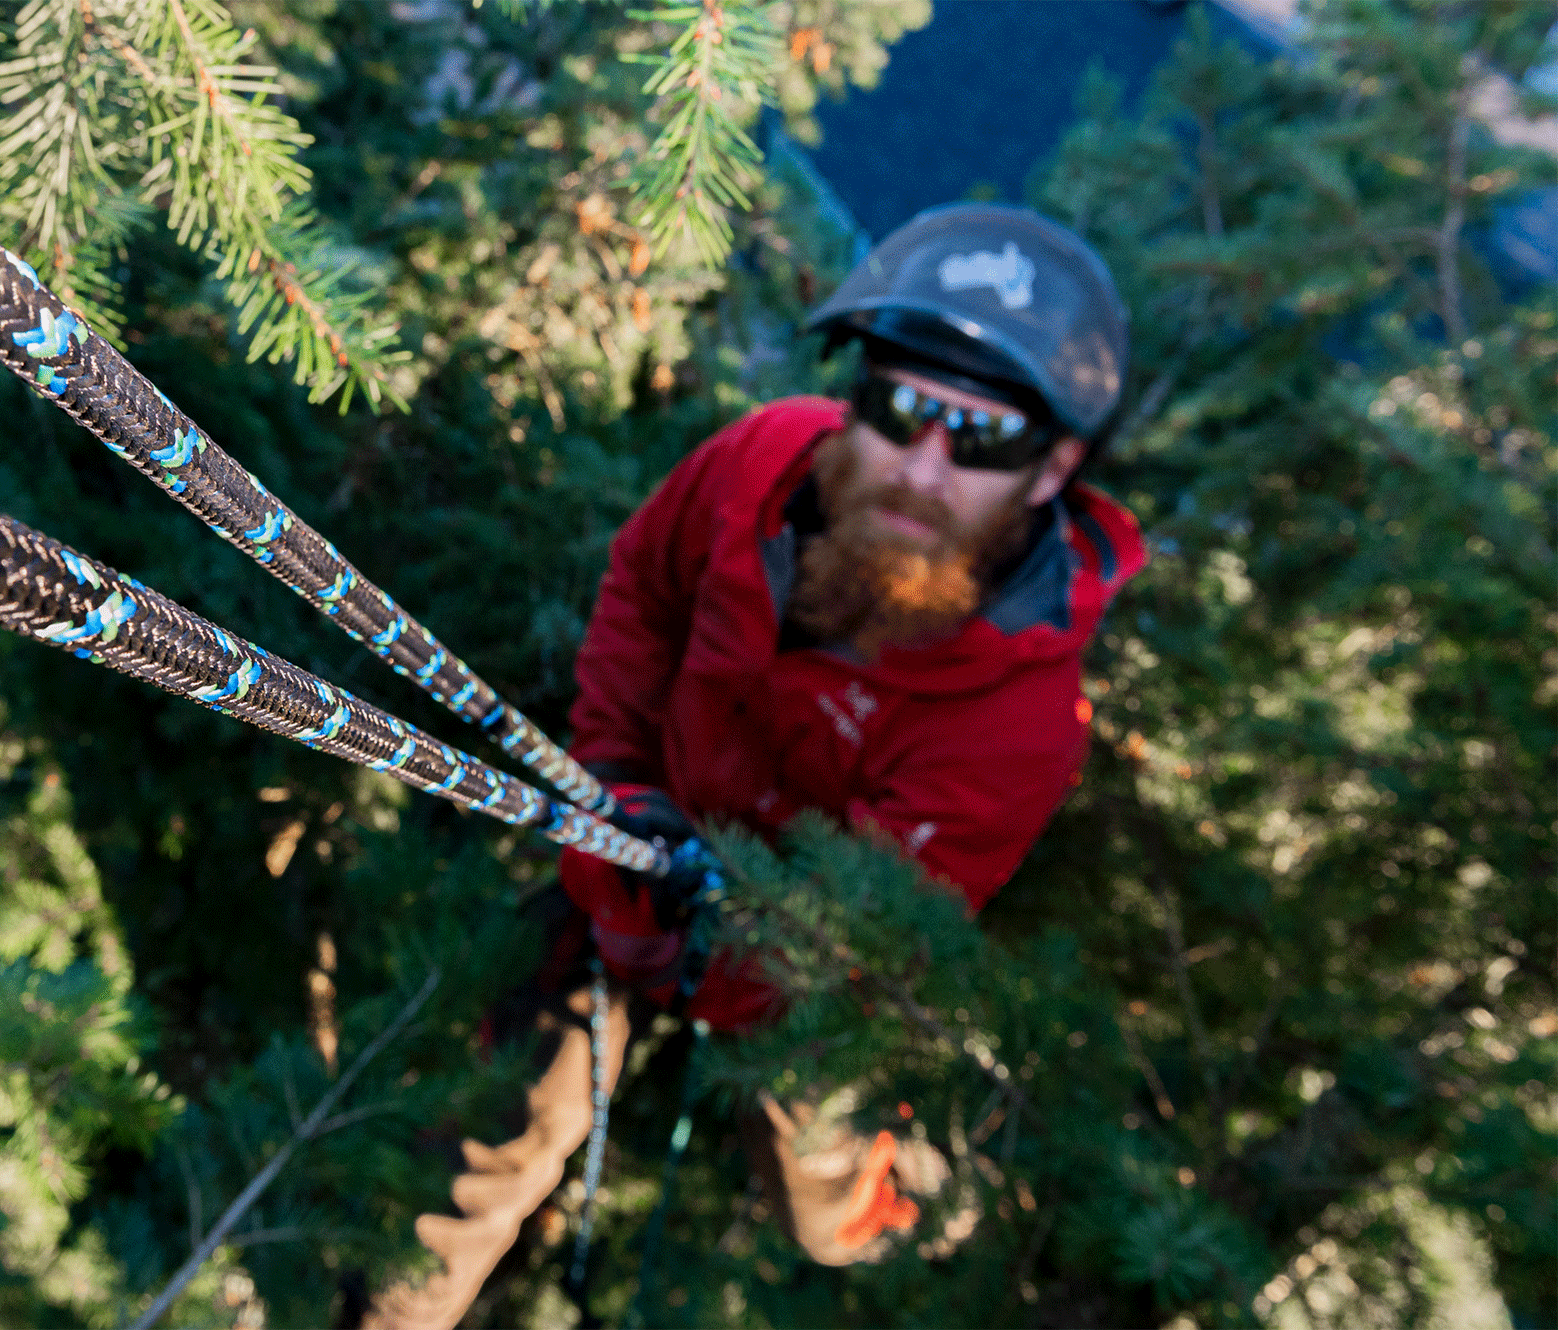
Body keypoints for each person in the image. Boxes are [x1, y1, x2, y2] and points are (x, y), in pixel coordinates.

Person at [365, 203, 1148, 1329]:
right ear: (855, 396)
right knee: (478, 1144)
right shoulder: (759, 465)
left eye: (981, 439)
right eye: (901, 408)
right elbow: (639, 596)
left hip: (811, 982)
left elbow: (853, 939)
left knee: (821, 1211)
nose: (922, 468)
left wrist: (682, 944)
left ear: (1051, 469)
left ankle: (913, 1179)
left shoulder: (1019, 718)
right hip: (633, 843)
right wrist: (616, 802)